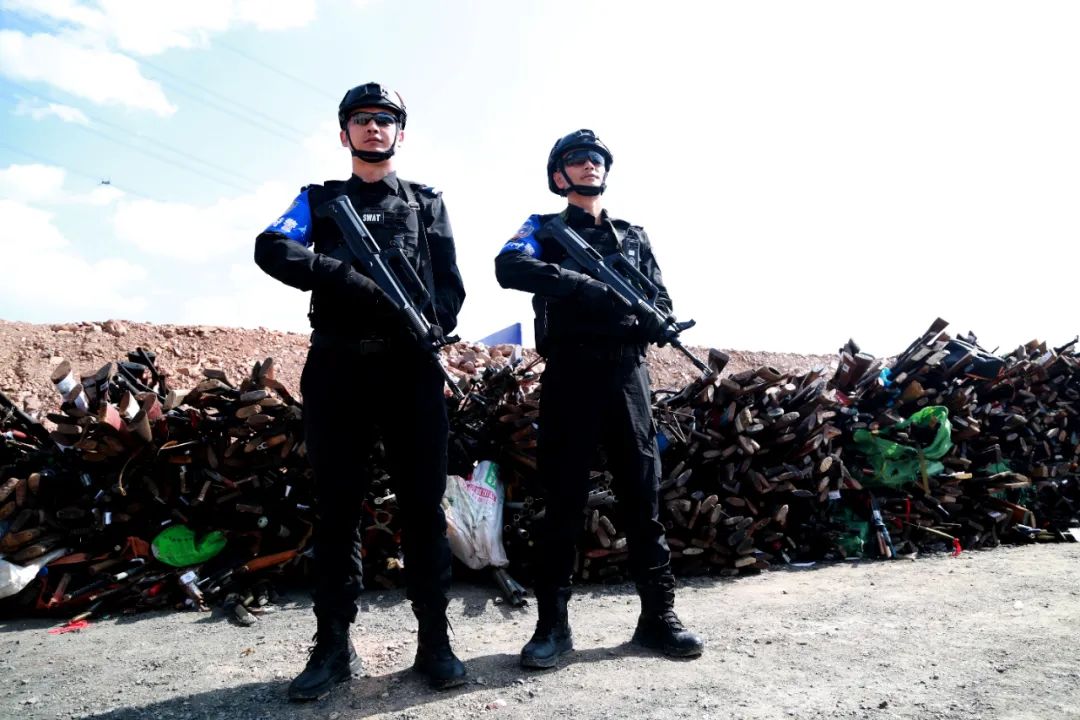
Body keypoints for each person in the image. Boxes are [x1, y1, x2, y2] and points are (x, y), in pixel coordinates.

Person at [254, 82, 467, 700]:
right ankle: (332, 645)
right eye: (361, 119)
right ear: (343, 132)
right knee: (337, 509)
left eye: (385, 119)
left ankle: (434, 640)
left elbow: (450, 286)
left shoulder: (426, 202)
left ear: (400, 132)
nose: (374, 127)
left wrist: (427, 323)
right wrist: (342, 276)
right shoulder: (319, 200)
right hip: (338, 368)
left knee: (423, 508)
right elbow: (273, 247)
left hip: (410, 369)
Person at [494, 129, 704, 669]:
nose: (589, 165)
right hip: (571, 374)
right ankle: (552, 626)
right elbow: (508, 266)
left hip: (628, 374)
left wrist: (653, 318)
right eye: (576, 159)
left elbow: (660, 297)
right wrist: (581, 285)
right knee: (562, 501)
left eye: (596, 159)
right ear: (558, 175)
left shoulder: (633, 236)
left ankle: (658, 617)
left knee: (642, 497)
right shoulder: (544, 229)